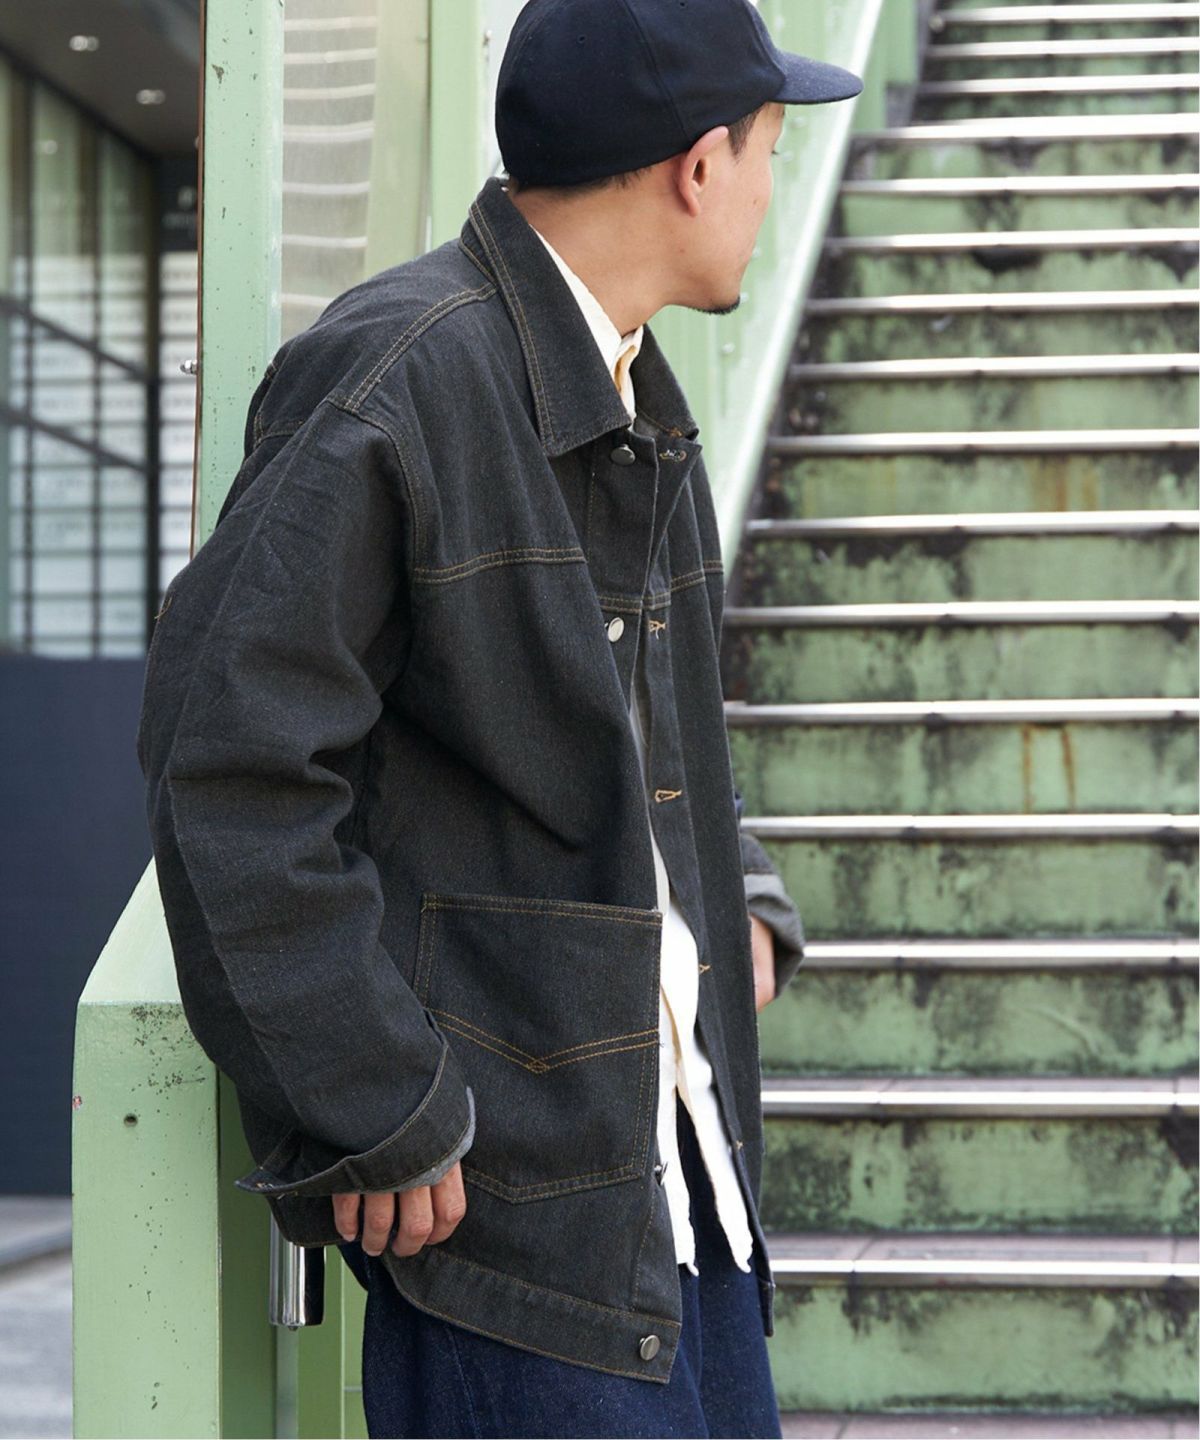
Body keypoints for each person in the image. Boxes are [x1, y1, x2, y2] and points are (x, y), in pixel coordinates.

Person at [136, 1, 861, 1435]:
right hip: (513, 1232)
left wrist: (737, 901)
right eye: (770, 149)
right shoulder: (398, 374)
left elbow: (636, 737)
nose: (771, 191)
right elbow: (228, 760)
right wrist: (374, 1100)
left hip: (680, 1180)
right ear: (699, 166)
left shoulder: (629, 387)